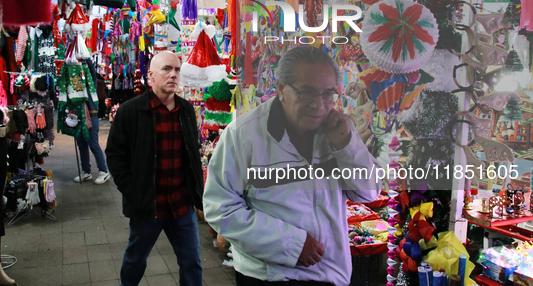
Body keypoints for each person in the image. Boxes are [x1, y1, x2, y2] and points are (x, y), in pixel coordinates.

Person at [203, 46, 382, 286]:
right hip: (270, 276)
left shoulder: (336, 130)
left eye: (328, 93)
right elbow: (220, 208)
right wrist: (291, 244)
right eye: (307, 93)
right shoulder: (244, 135)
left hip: (331, 272)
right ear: (281, 89)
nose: (319, 105)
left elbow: (368, 192)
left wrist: (346, 145)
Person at [106, 51, 204, 286]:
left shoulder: (186, 111)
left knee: (192, 263)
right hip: (148, 204)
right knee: (135, 260)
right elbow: (115, 155)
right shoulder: (131, 111)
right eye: (166, 69)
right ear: (150, 75)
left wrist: (197, 193)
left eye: (177, 70)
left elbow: (192, 153)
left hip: (181, 203)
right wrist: (133, 191)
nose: (173, 75)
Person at [73, 58, 111, 185]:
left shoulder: (91, 83)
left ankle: (103, 171)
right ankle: (86, 171)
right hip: (79, 116)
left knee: (93, 144)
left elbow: (92, 72)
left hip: (91, 115)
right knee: (81, 144)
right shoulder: (77, 84)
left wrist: (85, 57)